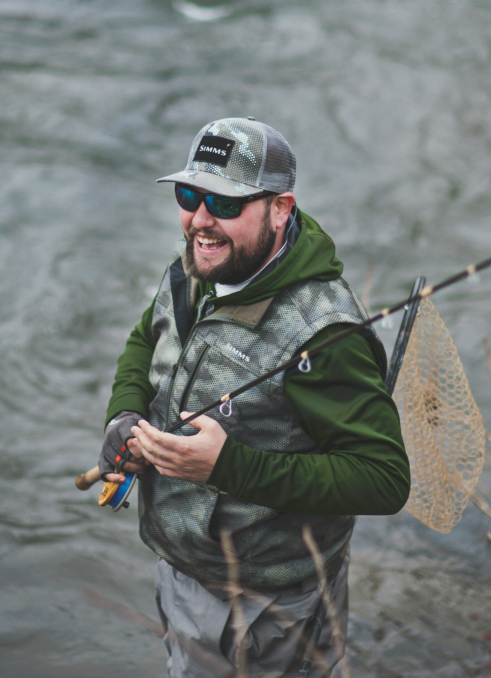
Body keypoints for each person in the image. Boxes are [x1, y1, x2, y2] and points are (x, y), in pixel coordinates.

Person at [98, 117, 410, 677]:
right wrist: (123, 414)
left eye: (223, 202)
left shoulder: (325, 335)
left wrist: (227, 466)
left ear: (281, 208)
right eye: (188, 195)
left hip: (270, 605)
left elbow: (384, 479)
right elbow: (147, 338)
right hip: (183, 566)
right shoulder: (200, 261)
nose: (199, 219)